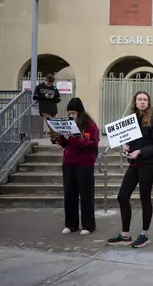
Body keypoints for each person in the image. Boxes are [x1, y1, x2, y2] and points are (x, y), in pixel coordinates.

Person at [107, 91, 153, 248]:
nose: (142, 102)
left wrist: (140, 151)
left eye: (145, 99)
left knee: (144, 197)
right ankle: (125, 235)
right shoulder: (132, 119)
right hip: (134, 164)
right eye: (139, 99)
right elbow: (130, 139)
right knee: (122, 196)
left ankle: (144, 234)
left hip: (149, 164)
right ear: (135, 101)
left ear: (149, 102)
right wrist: (127, 146)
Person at [57, 97, 100, 235]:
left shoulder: (90, 126)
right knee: (69, 194)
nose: (71, 116)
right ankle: (71, 224)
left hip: (84, 164)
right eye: (69, 113)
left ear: (80, 113)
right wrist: (61, 136)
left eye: (73, 113)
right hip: (68, 163)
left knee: (86, 195)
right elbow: (64, 144)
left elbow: (90, 144)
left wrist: (73, 138)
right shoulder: (68, 124)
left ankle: (88, 225)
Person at [33, 74, 61, 144]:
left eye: (50, 84)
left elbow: (58, 99)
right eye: (48, 83)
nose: (49, 85)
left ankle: (53, 138)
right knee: (50, 123)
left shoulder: (54, 88)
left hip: (53, 108)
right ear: (45, 81)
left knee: (53, 124)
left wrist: (53, 97)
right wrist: (44, 96)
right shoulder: (39, 87)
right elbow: (35, 97)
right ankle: (57, 137)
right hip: (44, 108)